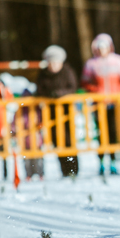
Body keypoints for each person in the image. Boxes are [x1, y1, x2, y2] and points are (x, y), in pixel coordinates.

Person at [82, 33, 120, 175]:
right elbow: (85, 82)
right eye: (99, 48)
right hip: (99, 104)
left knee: (115, 131)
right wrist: (95, 90)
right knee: (101, 132)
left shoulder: (118, 61)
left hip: (116, 104)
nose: (102, 50)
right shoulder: (91, 64)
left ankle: (115, 161)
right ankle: (102, 161)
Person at [34, 44, 80, 178]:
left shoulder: (67, 72)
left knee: (69, 140)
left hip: (67, 113)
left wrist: (59, 94)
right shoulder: (43, 75)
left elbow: (72, 87)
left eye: (56, 62)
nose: (53, 65)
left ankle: (73, 169)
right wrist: (48, 95)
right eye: (51, 62)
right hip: (50, 114)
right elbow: (39, 90)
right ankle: (63, 169)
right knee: (56, 140)